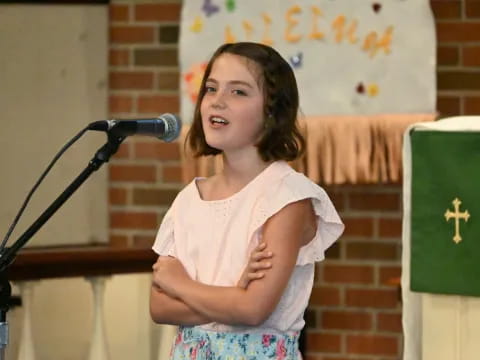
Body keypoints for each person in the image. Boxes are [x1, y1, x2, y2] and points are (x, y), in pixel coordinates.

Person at [150, 42, 344, 359]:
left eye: (238, 92)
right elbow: (159, 307)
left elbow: (253, 310)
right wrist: (232, 296)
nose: (218, 102)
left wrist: (180, 284)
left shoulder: (286, 197)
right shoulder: (188, 201)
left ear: (271, 111)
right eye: (211, 89)